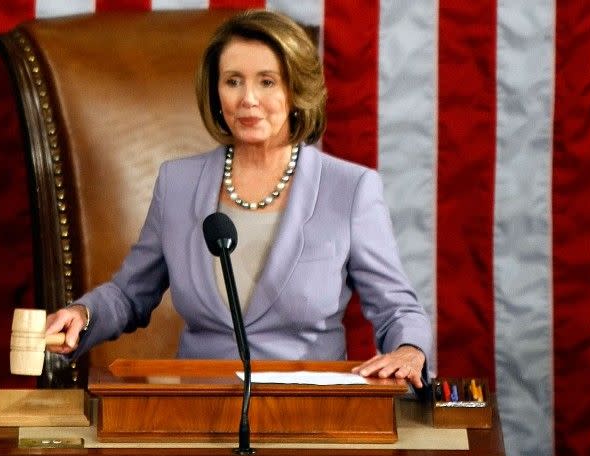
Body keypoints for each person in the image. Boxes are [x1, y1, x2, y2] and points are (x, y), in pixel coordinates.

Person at [45, 10, 432, 387]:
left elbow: (396, 308)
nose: (248, 99)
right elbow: (130, 295)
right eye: (233, 81)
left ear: (296, 90)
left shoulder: (349, 188)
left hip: (309, 415)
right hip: (196, 409)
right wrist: (83, 314)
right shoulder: (177, 183)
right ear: (215, 92)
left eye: (267, 82)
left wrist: (409, 350)